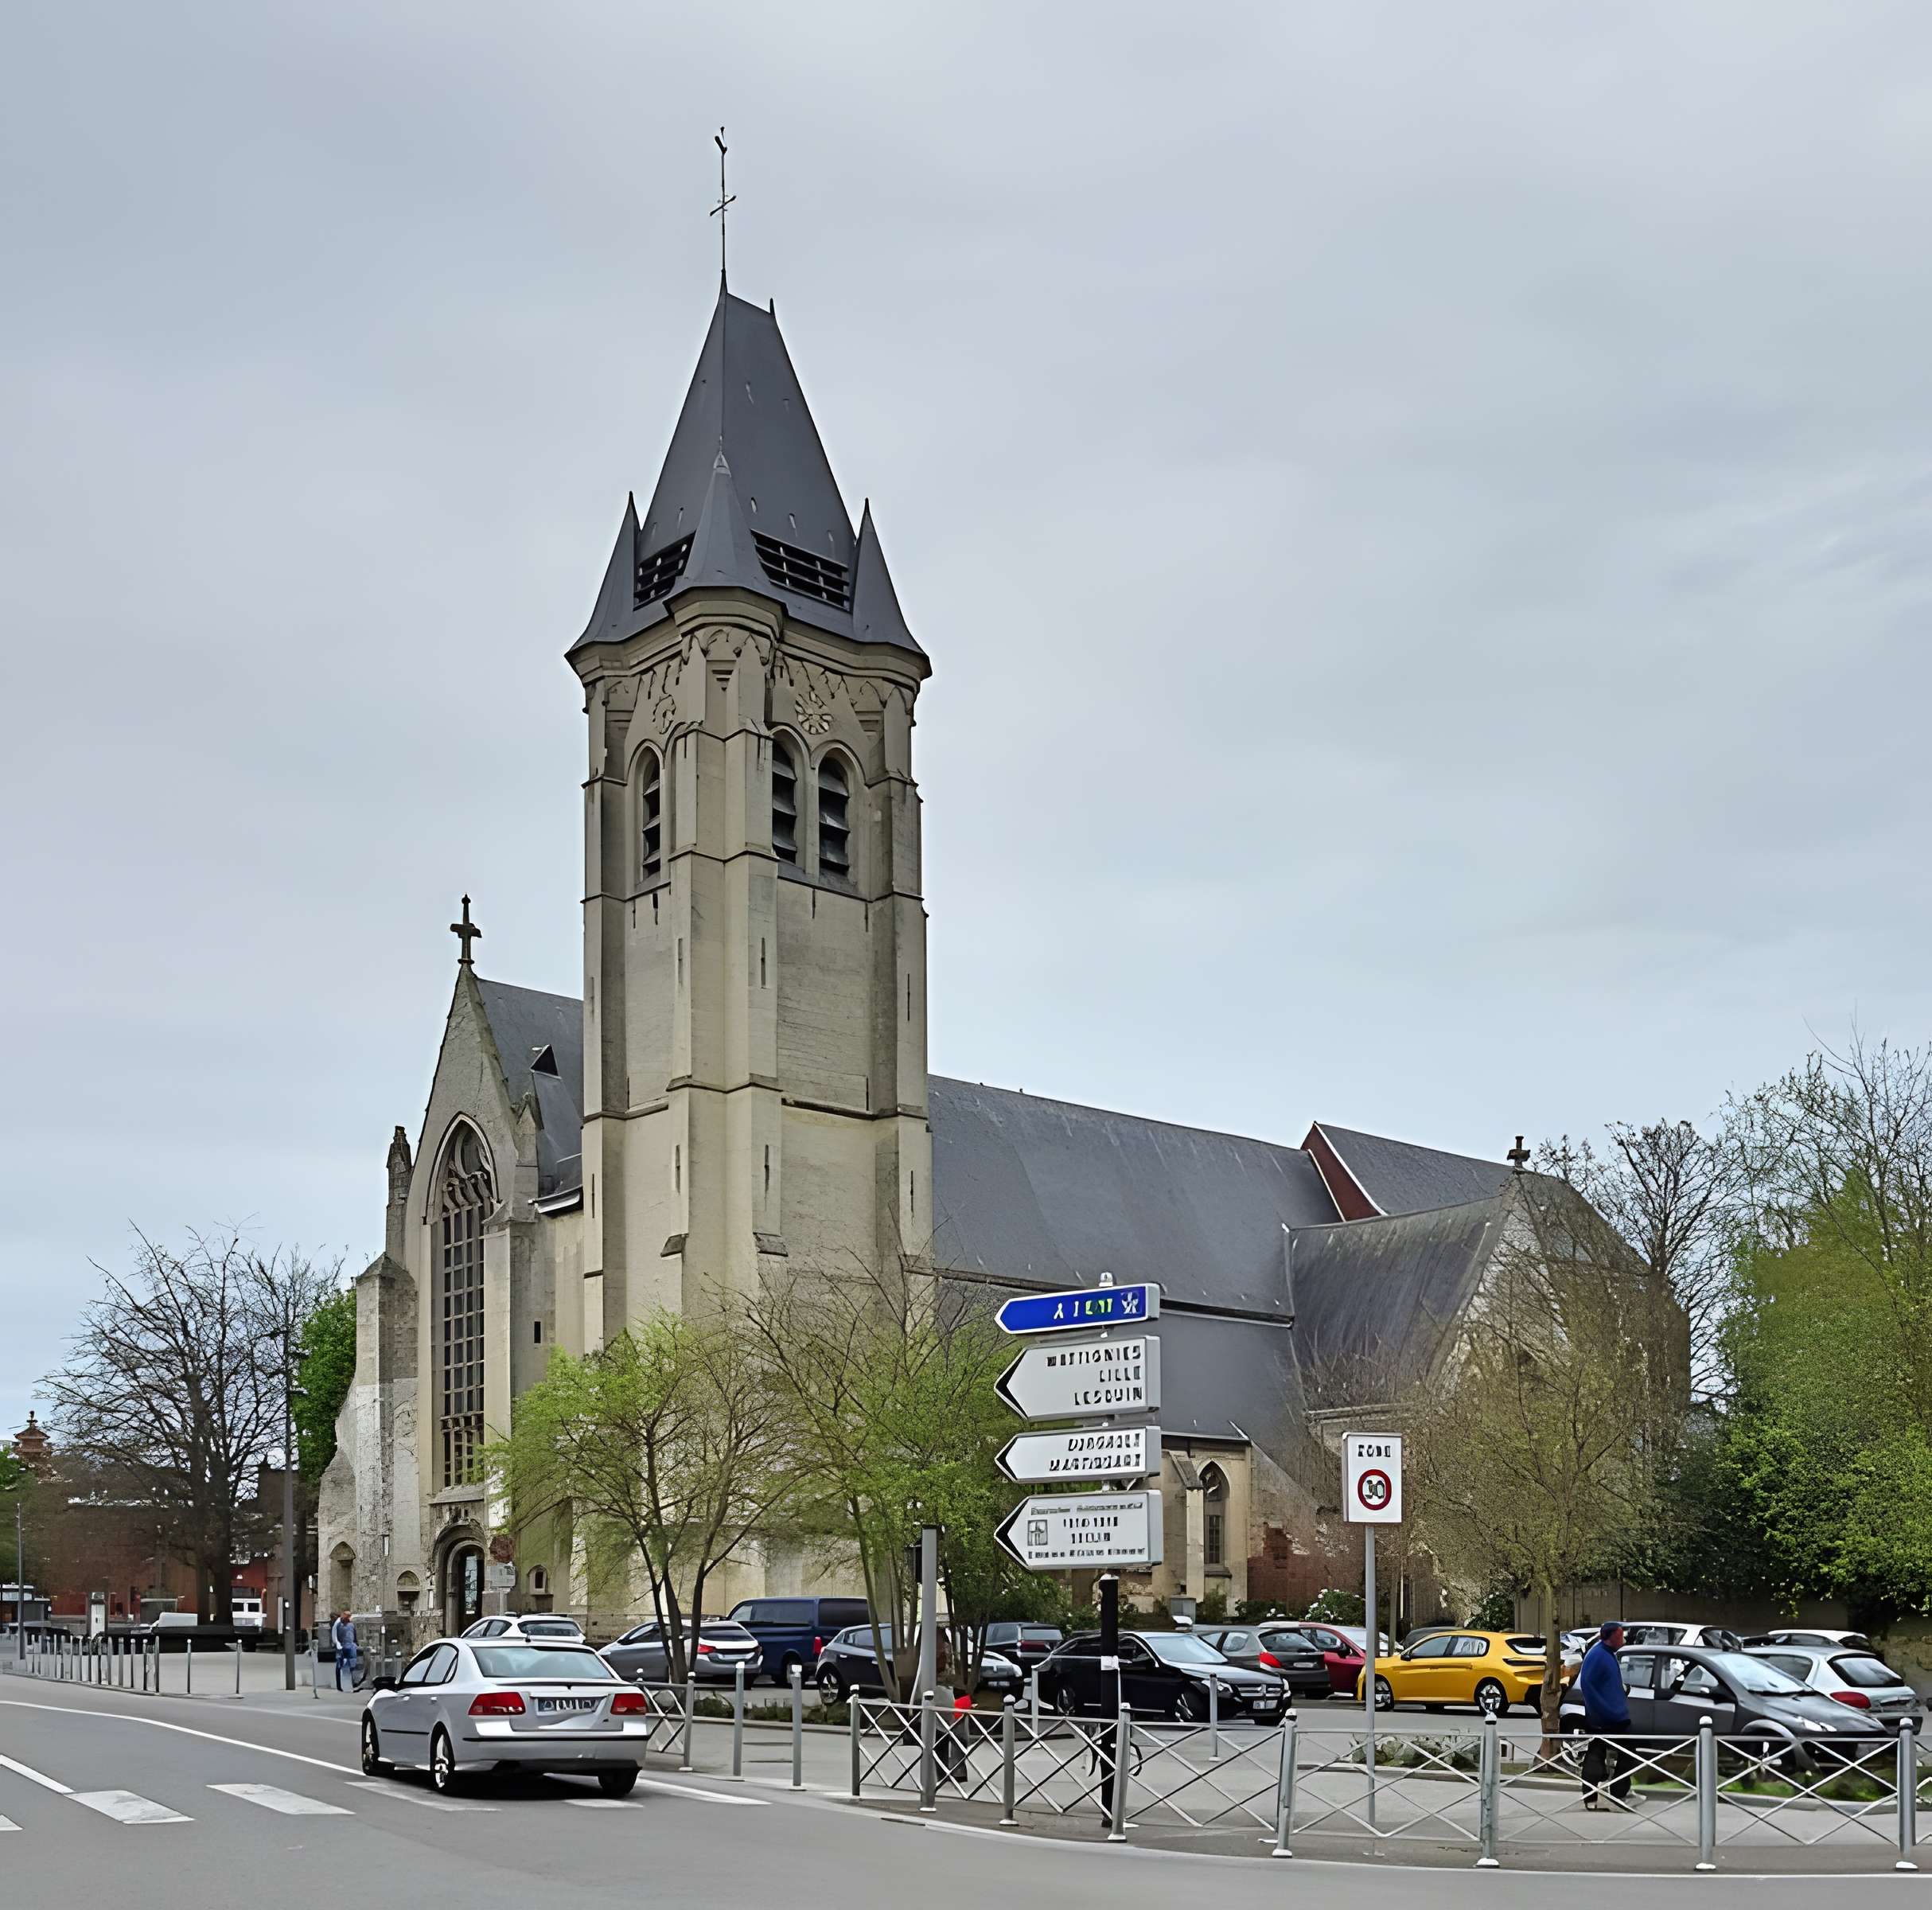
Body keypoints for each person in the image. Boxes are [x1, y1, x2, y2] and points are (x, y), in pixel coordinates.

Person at [1576, 1620, 1633, 1810]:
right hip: (1608, 1718)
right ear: (1611, 1638)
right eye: (1620, 1636)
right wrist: (1603, 1711)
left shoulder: (1606, 1654)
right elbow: (1588, 1686)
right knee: (1625, 1752)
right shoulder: (1598, 1655)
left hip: (1612, 1715)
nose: (1623, 1639)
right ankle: (1616, 1794)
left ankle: (1600, 1796)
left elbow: (1605, 1684)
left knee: (1600, 1751)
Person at [332, 1610, 360, 1692]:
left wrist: (355, 1644)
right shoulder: (344, 1625)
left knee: (346, 1666)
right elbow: (354, 1636)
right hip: (345, 1647)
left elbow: (353, 1636)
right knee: (346, 1666)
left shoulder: (346, 1625)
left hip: (346, 1646)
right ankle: (348, 1685)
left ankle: (350, 1685)